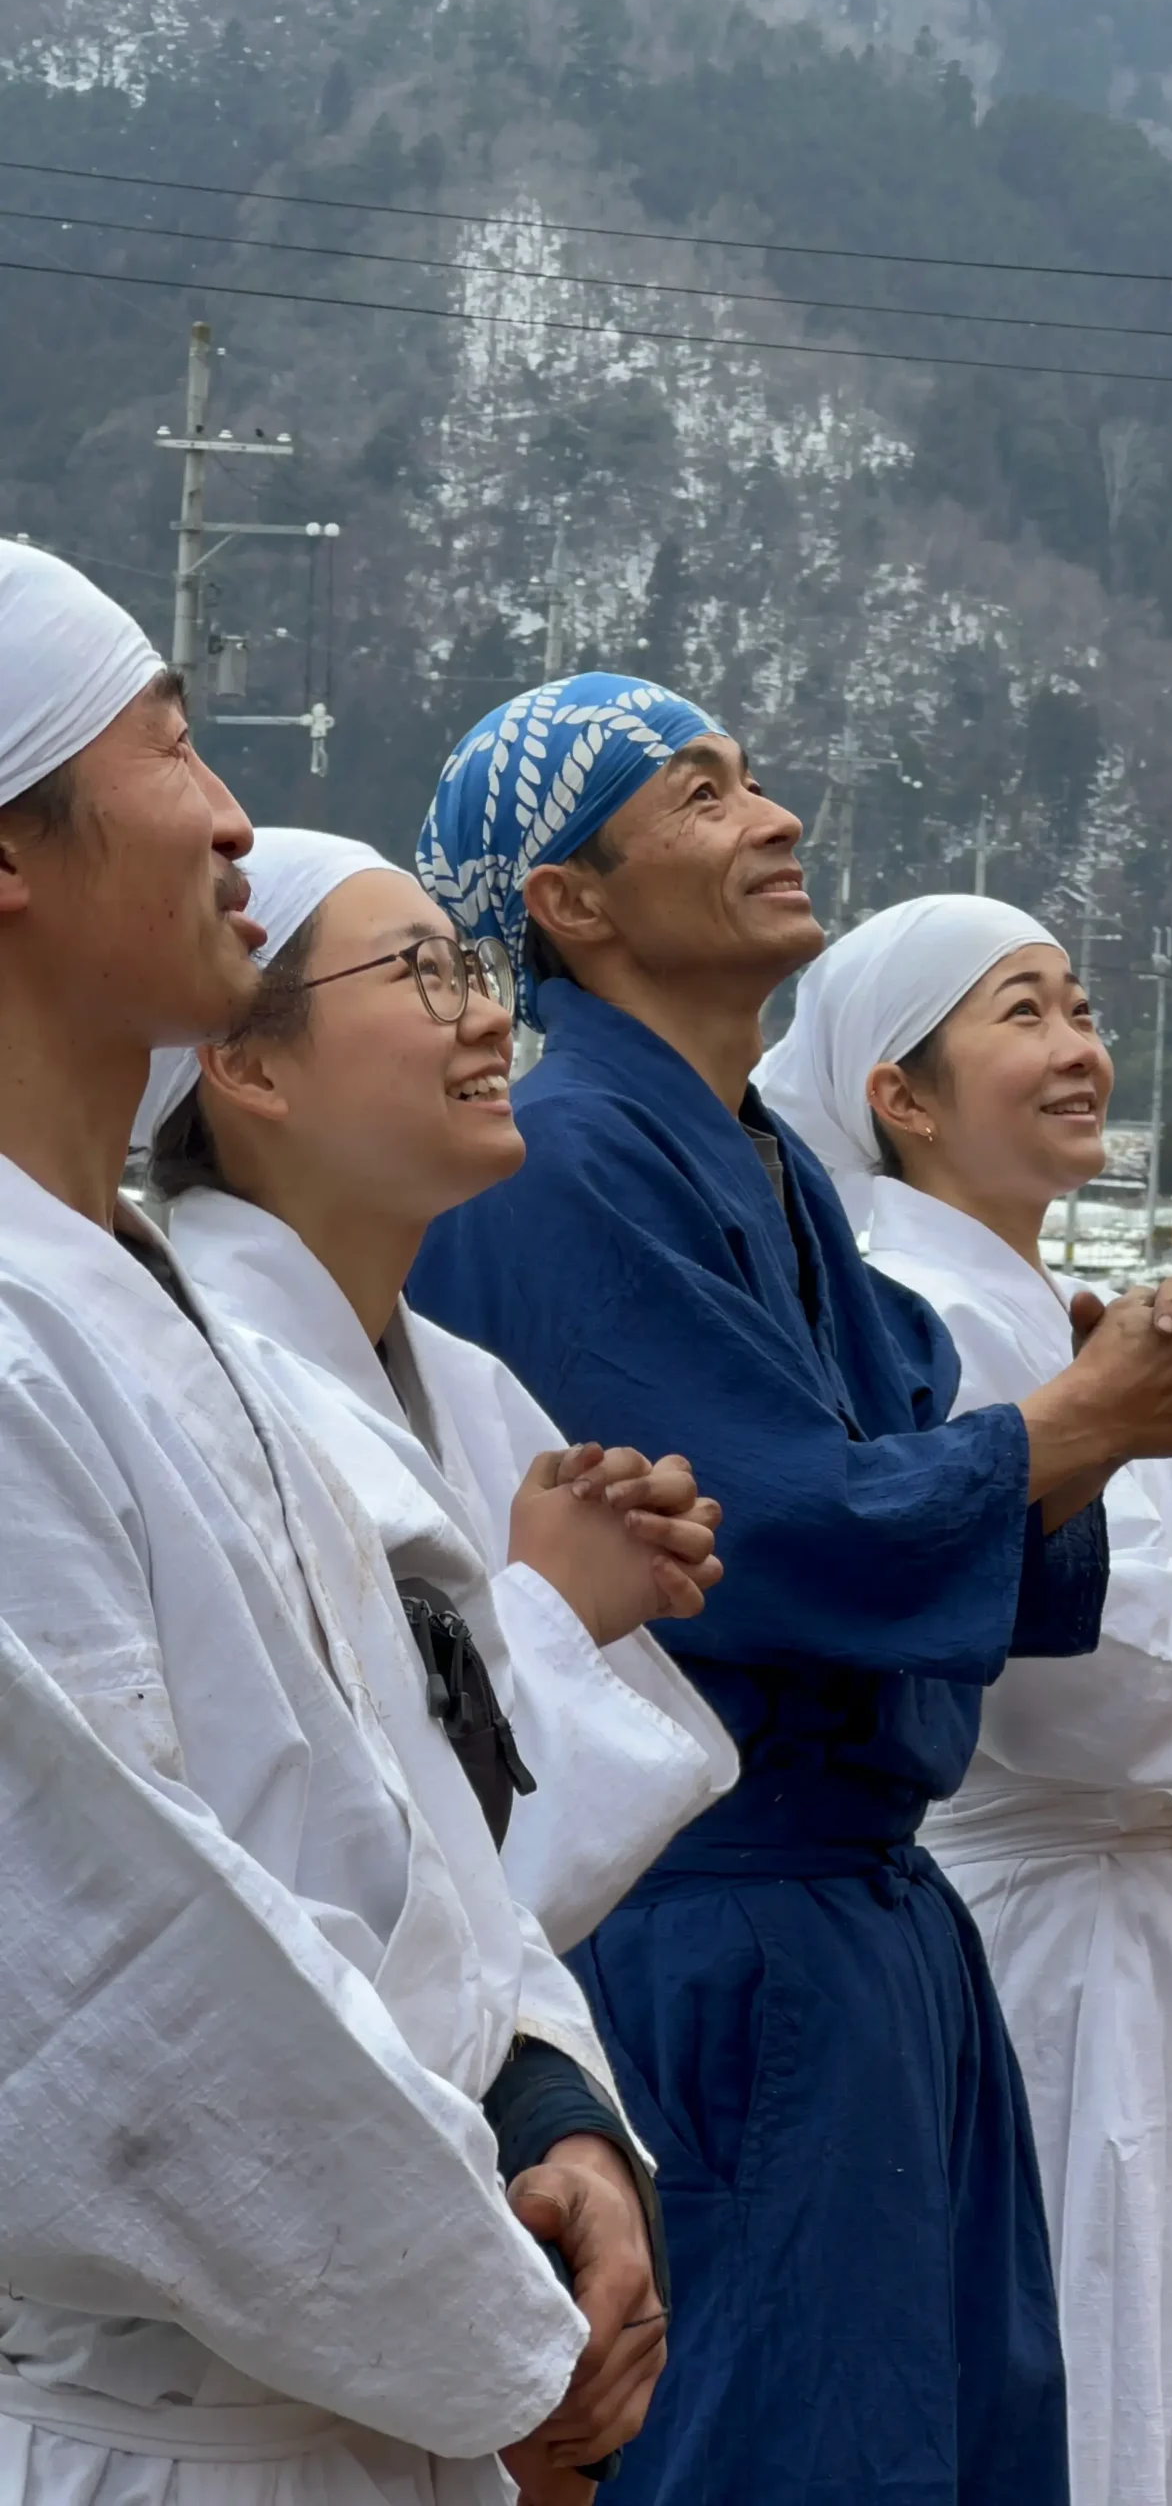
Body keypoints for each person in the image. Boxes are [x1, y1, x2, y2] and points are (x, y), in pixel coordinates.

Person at [407, 670, 1172, 2506]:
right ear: (567, 901)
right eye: (704, 793)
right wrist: (1066, 1427)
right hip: (724, 1927)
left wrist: (1114, 1415)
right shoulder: (568, 1162)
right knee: (784, 2446)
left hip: (870, 1928)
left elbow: (946, 1483)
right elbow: (774, 1527)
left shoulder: (768, 1170)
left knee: (936, 2436)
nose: (774, 814)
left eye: (755, 773)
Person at [0, 547, 682, 2506]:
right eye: (169, 749)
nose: (231, 813)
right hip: (181, 2417)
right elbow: (119, 1976)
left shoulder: (175, 1310)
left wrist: (556, 2113)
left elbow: (417, 1833)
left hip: (375, 2367)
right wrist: (497, 2324)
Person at [757, 891, 1172, 2506]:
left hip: (1144, 1933)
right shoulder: (911, 1319)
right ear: (898, 1094)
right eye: (1022, 1013)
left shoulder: (1018, 1307)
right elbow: (1031, 1663)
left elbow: (1144, 1558)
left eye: (1078, 1006)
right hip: (1038, 1952)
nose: (1080, 1048)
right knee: (1088, 2369)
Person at [135, 823, 738, 1957]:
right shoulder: (192, 1389)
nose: (489, 1016)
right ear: (248, 1065)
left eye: (471, 968)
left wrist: (597, 1581)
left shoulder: (466, 1383)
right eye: (419, 972)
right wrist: (559, 1609)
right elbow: (362, 1870)